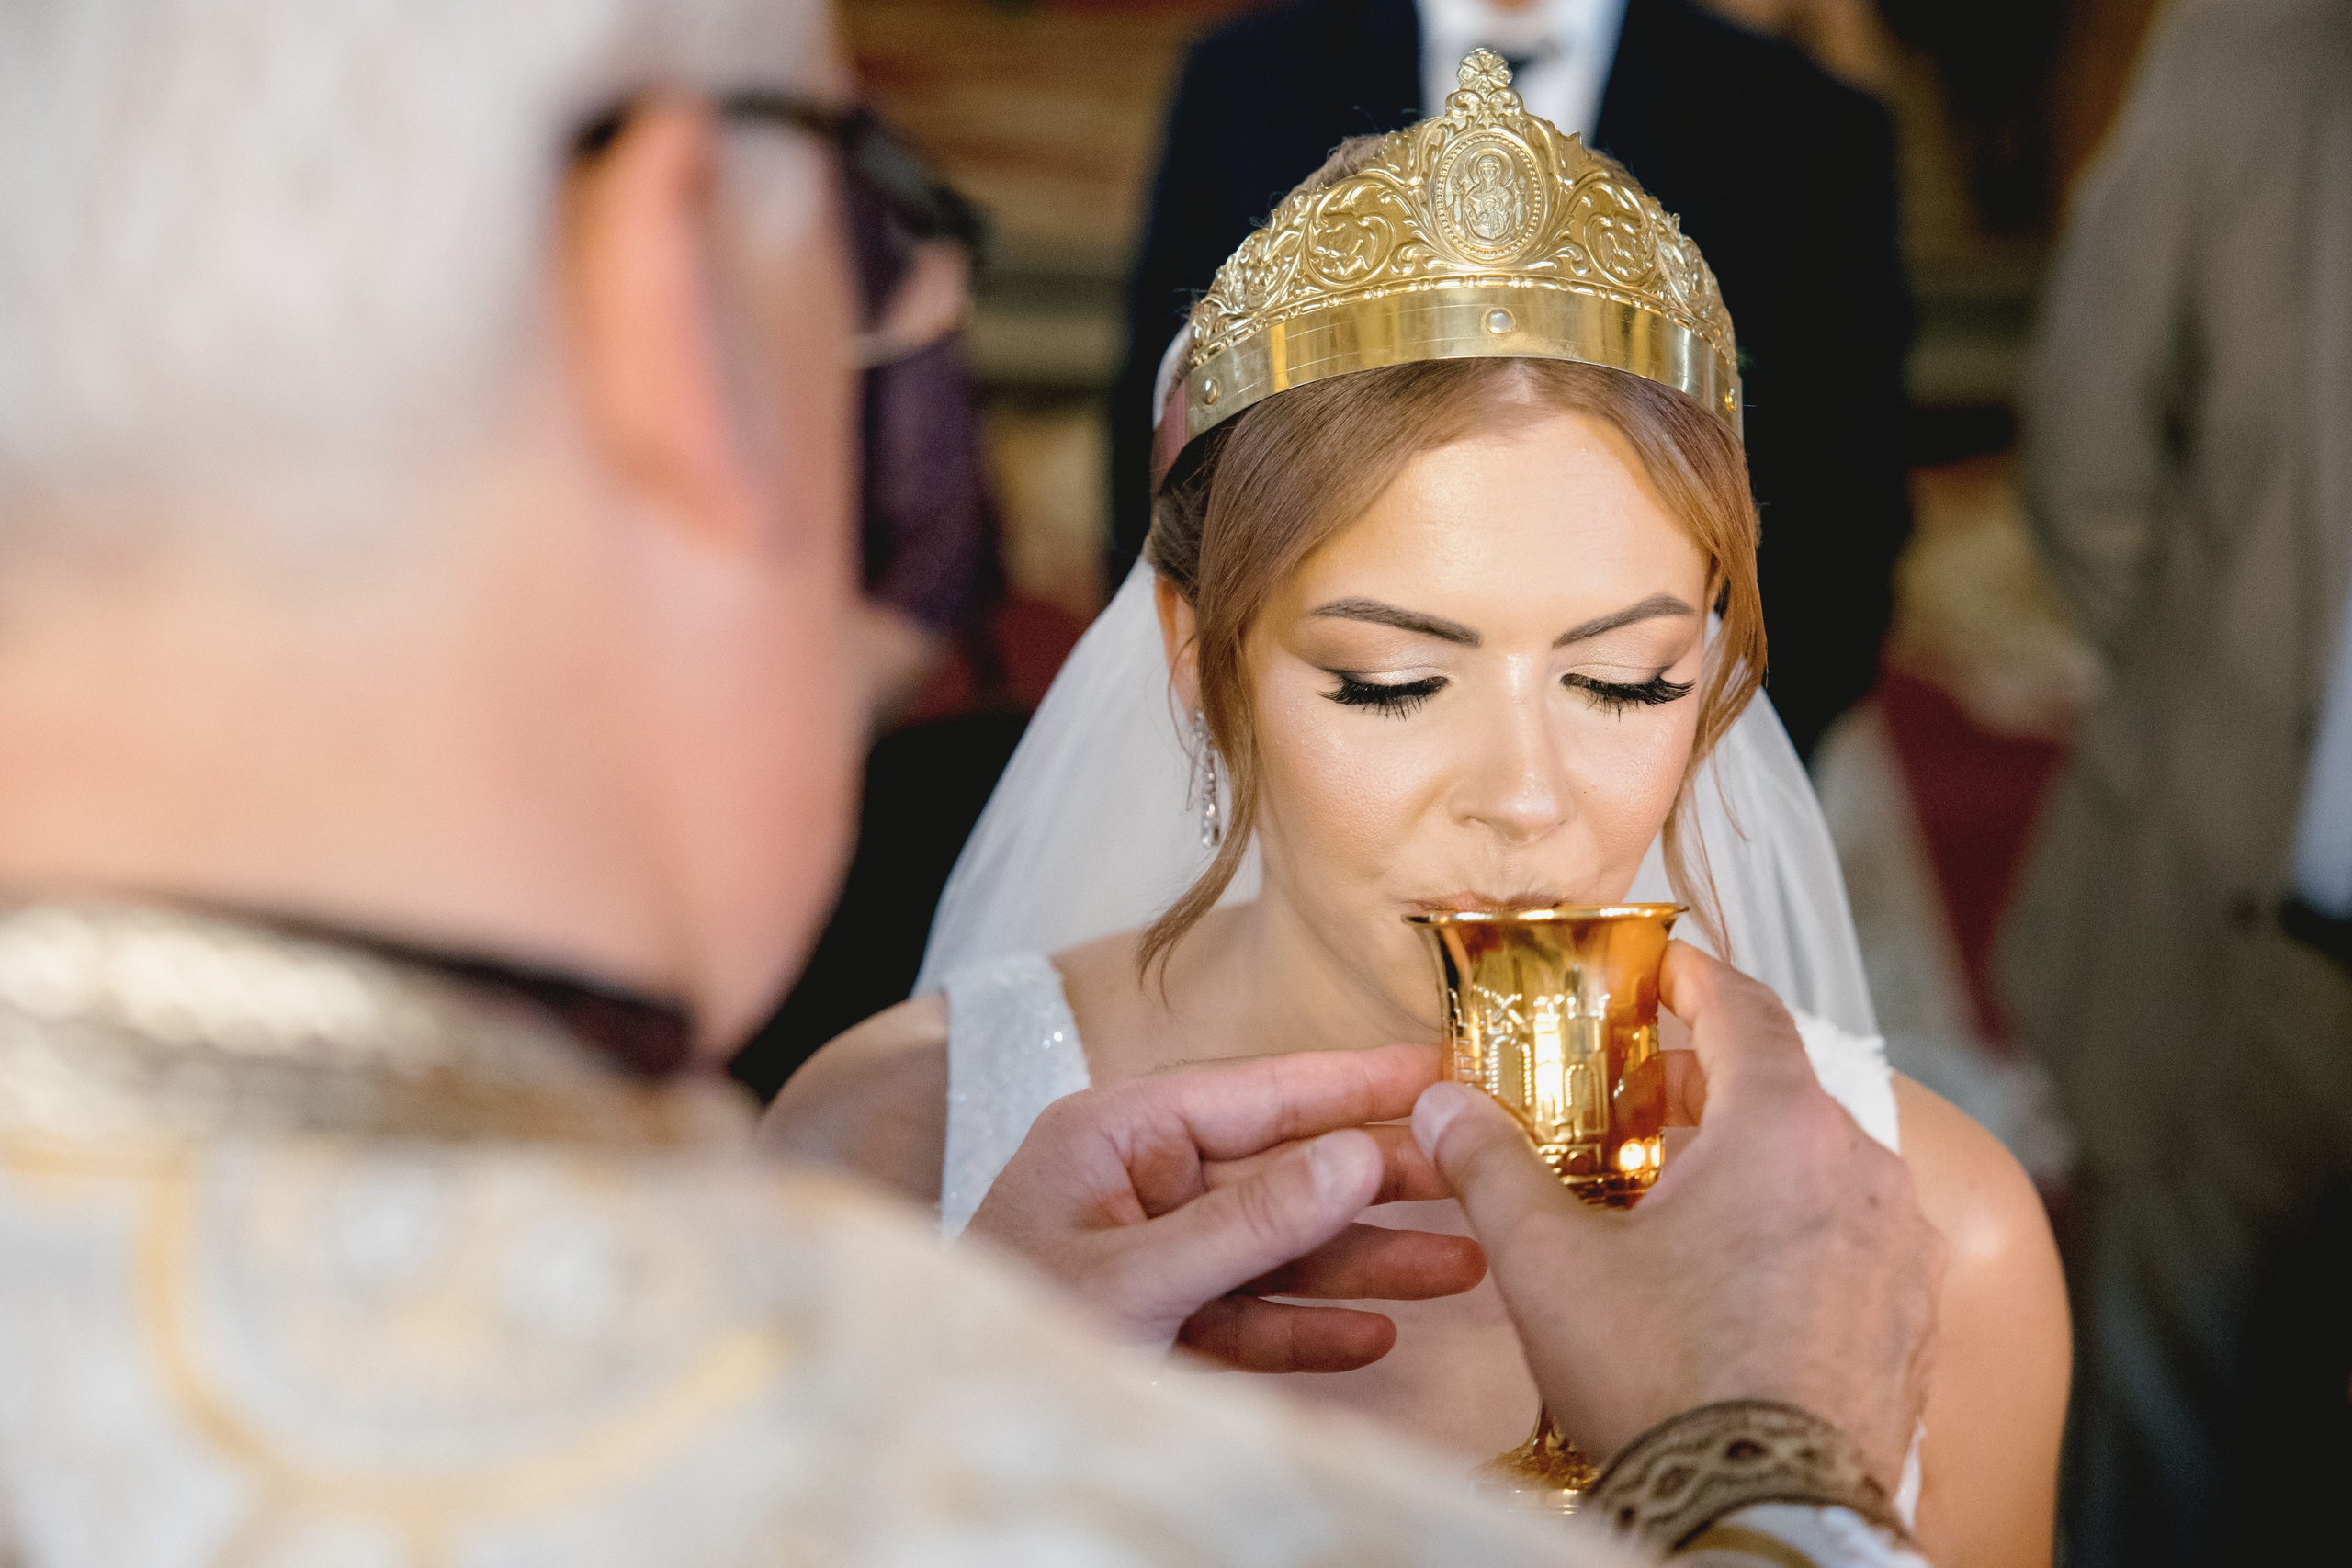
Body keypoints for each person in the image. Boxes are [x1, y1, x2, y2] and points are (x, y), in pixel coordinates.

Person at [0, 4, 1941, 1564]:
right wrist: (1760, 1481)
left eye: (1622, 677)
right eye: (865, 196)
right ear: (676, 282)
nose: (1525, 790)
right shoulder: (858, 1237)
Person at [774, 54, 2067, 1568]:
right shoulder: (894, 1148)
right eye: (1392, 683)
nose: (1528, 798)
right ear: (1199, 658)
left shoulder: (1937, 1238)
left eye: (1629, 682)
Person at [1108, 0, 1912, 758]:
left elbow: (1845, 511)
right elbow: (1163, 457)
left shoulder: (1806, 123)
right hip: (1324, 755)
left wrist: (1663, 738)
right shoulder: (1245, 81)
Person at [1996, 2, 2352, 1563]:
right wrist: (2227, 692)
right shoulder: (2251, 44)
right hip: (2241, 916)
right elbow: (2090, 466)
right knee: (2153, 1469)